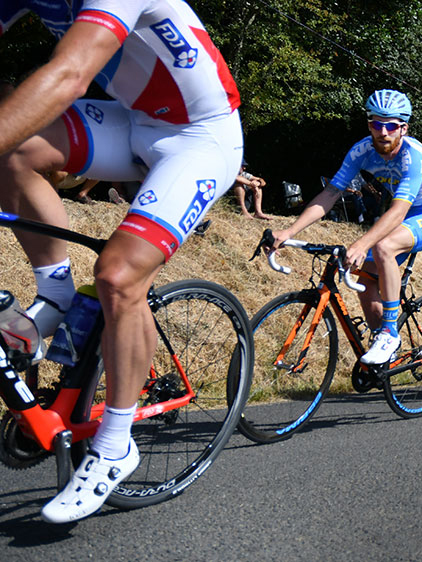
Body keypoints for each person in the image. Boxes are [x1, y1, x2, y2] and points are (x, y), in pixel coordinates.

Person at [0, 0, 243, 523]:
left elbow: (70, 73)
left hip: (200, 137)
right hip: (131, 121)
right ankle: (56, 294)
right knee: (13, 153)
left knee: (117, 275)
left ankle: (114, 445)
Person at [264, 89, 422, 365]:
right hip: (403, 215)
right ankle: (381, 348)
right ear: (369, 124)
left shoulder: (413, 156)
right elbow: (330, 194)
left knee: (383, 246)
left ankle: (389, 333)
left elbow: (398, 211)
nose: (383, 132)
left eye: (391, 126)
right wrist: (289, 232)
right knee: (365, 279)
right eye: (376, 124)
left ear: (404, 128)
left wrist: (362, 244)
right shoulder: (361, 151)